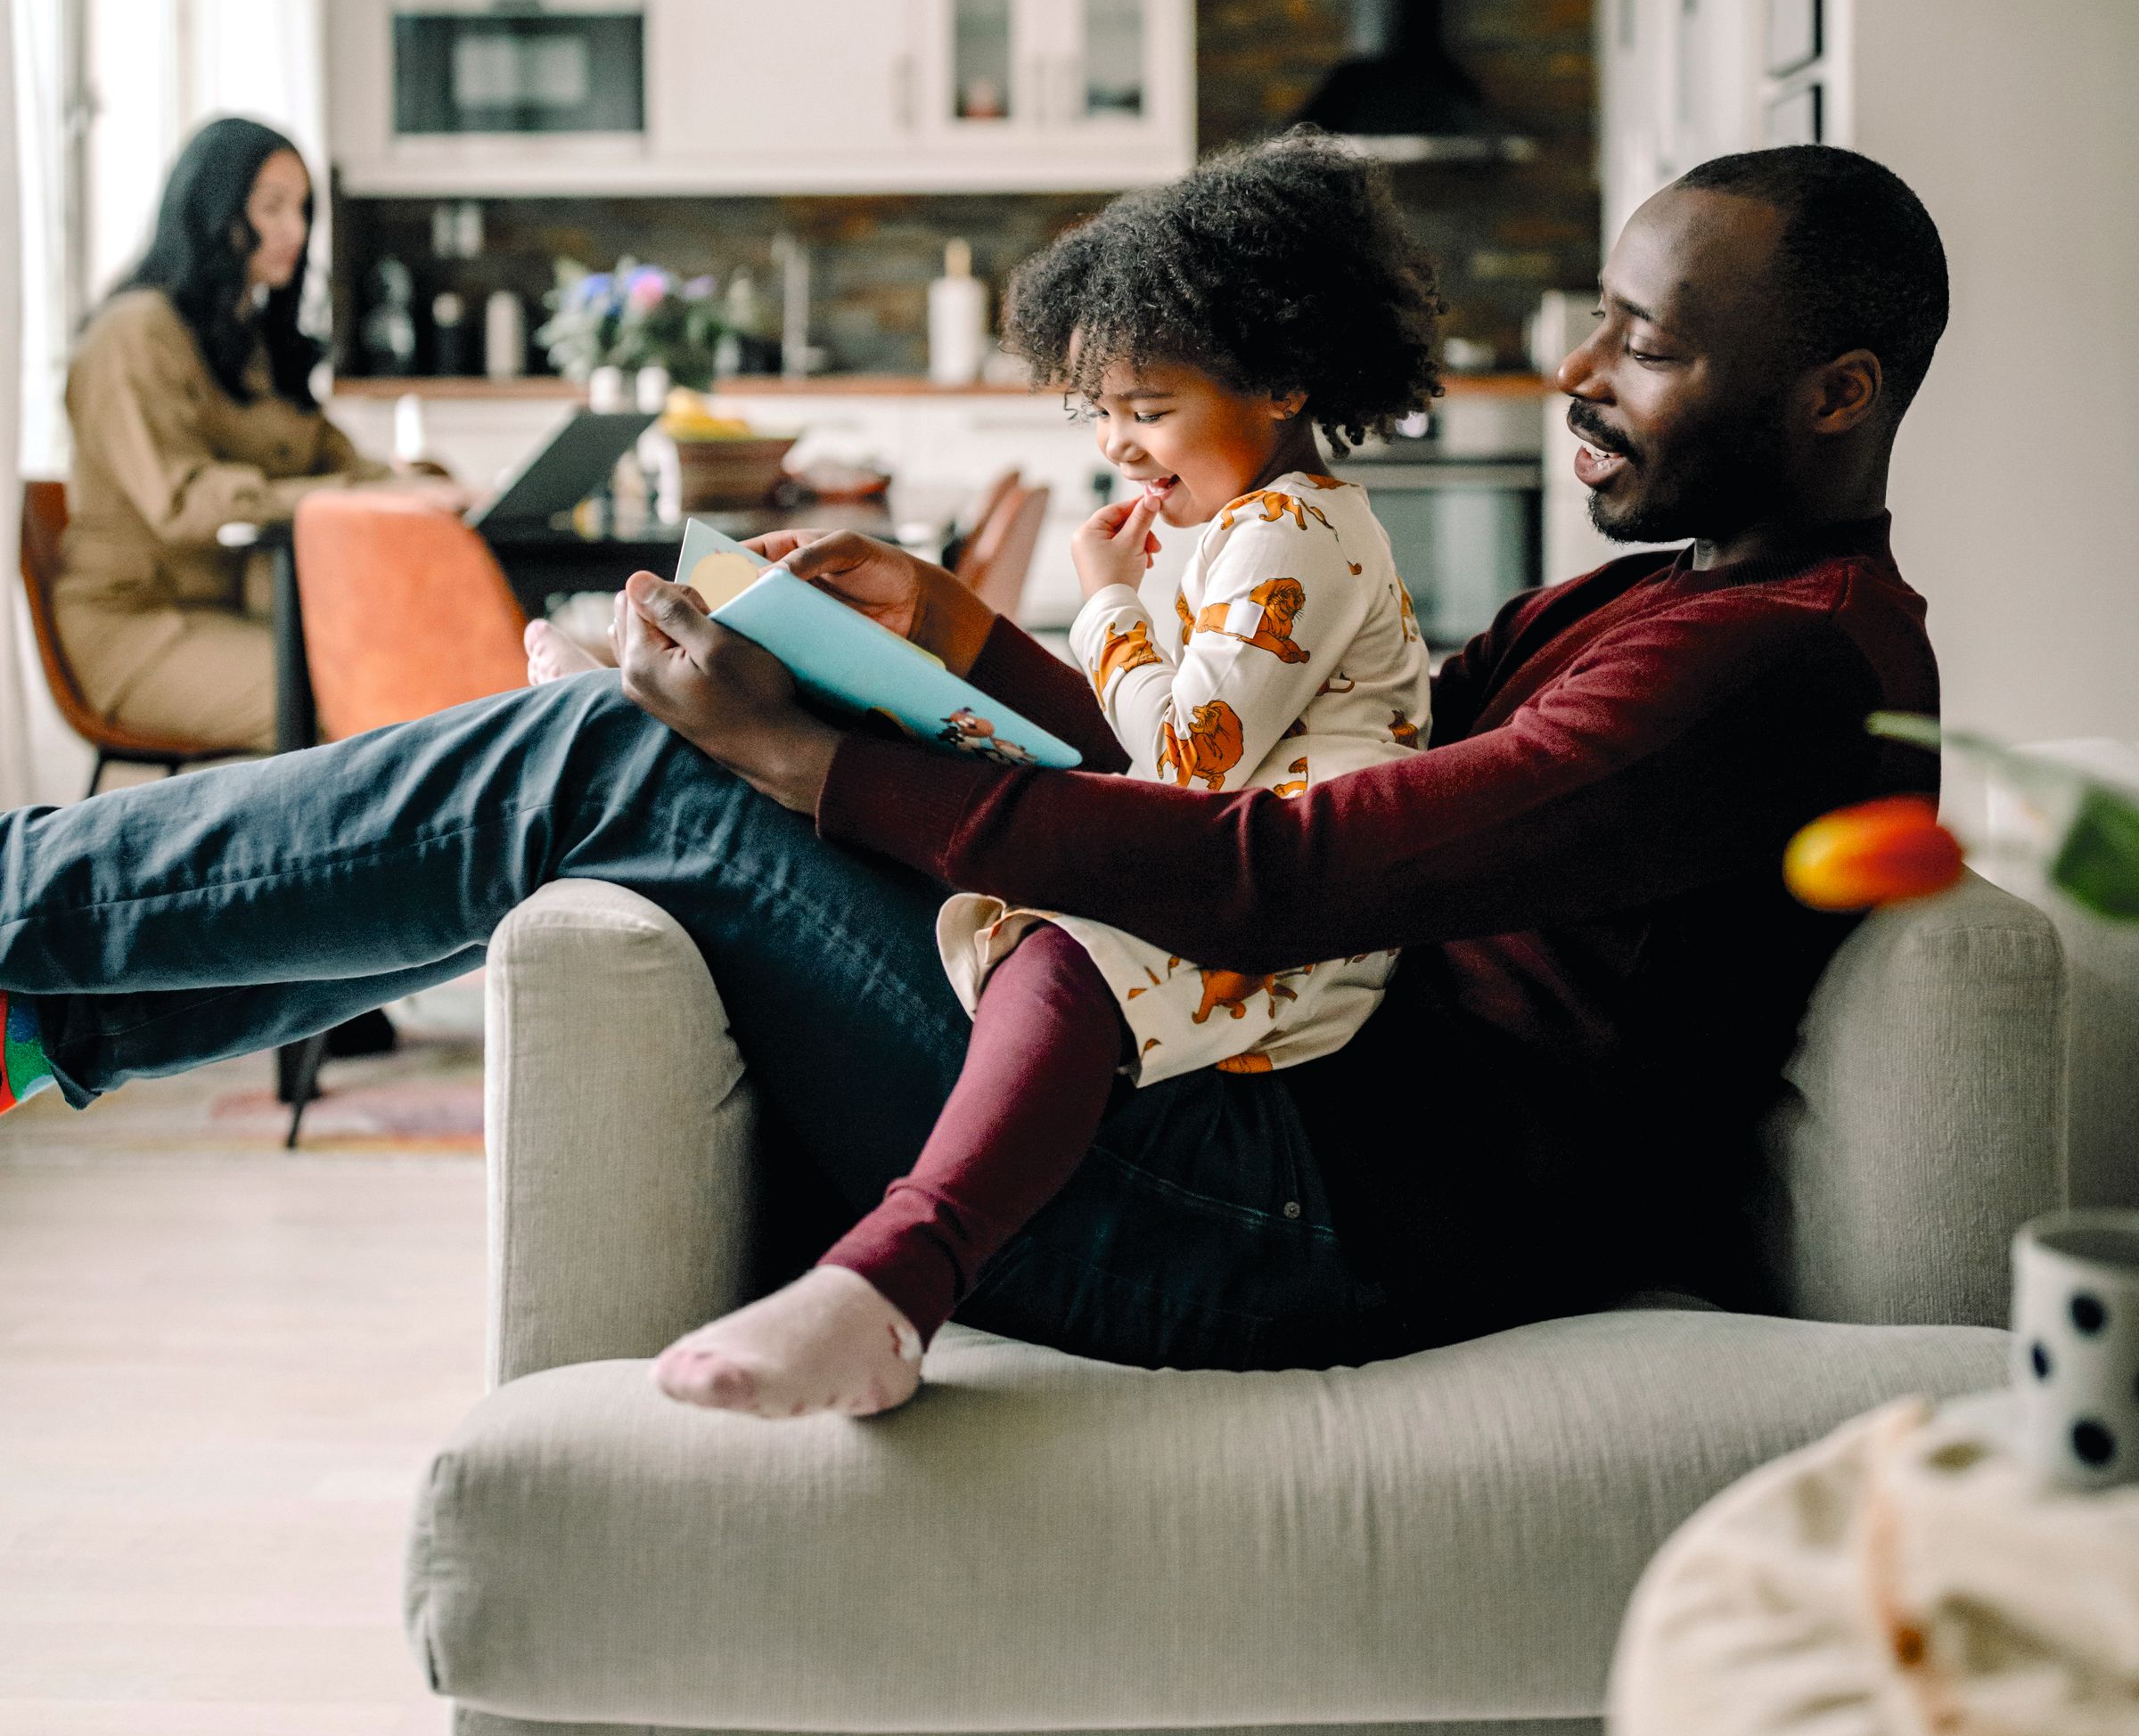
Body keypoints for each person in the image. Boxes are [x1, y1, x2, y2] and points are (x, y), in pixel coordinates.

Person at [0, 147, 1944, 1400]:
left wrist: (803, 751)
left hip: (1289, 1211)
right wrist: (954, 643)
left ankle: (26, 927)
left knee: (638, 756)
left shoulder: (1760, 676)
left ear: (1833, 391)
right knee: (663, 750)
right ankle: (35, 998)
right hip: (1265, 1108)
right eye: (1598, 318)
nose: (1588, 371)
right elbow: (1223, 776)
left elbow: (1286, 871)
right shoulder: (1695, 605)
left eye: (1648, 345)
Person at [651, 137, 1440, 1418]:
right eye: (1104, 414)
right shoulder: (1246, 526)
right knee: (964, 845)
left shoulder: (1293, 531)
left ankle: (896, 1288)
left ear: (1284, 379)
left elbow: (1192, 751)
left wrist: (1110, 605)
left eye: (1152, 408)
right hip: (1238, 867)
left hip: (1292, 929)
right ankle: (634, 703)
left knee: (1062, 955)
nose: (1124, 448)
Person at [54, 119, 398, 758]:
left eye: (302, 210)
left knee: (409, 667)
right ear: (211, 210)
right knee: (351, 701)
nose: (294, 232)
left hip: (239, 614)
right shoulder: (135, 334)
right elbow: (183, 502)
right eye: (271, 208)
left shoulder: (247, 341)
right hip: (140, 630)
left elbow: (334, 457)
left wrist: (421, 484)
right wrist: (346, 496)